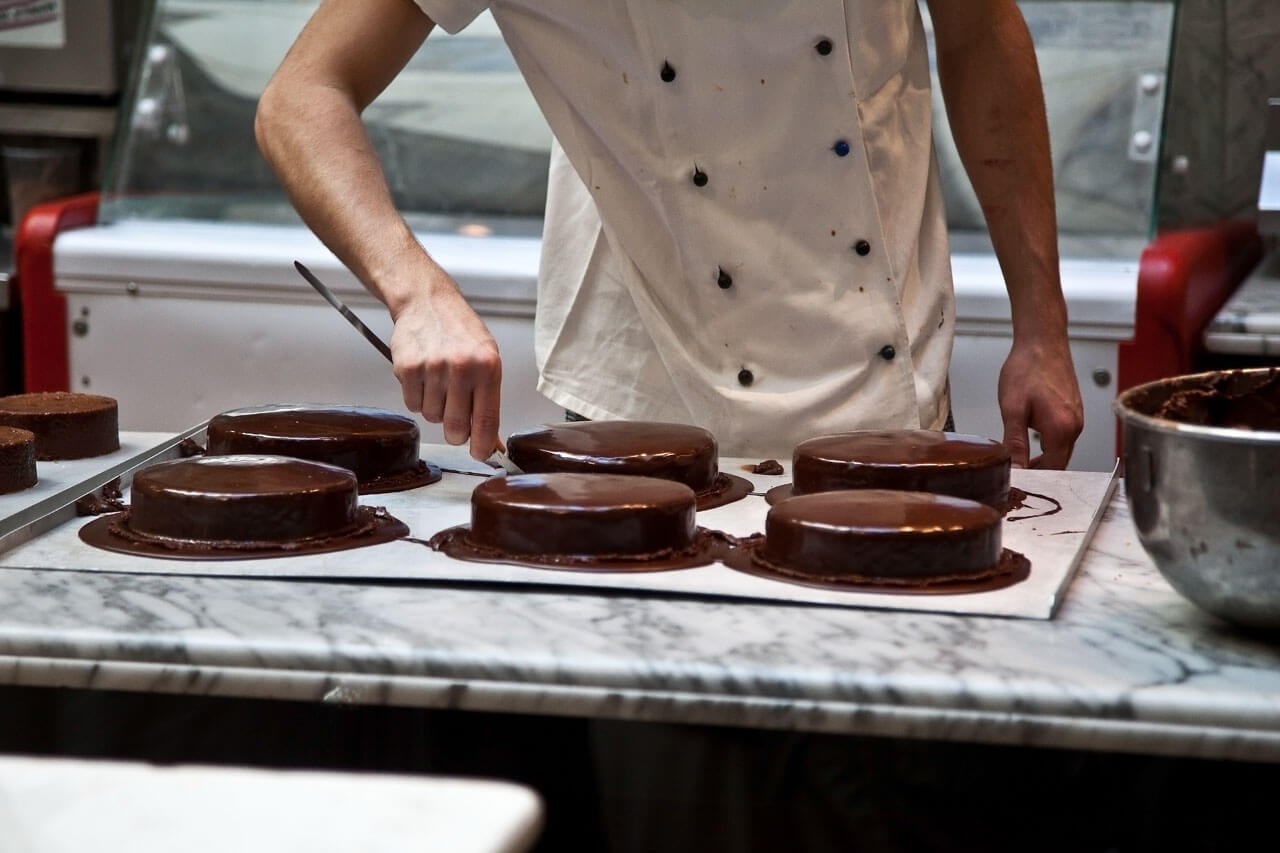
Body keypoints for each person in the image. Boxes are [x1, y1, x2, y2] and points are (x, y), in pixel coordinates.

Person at [256, 0, 1083, 468]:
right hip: (644, 400)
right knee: (661, 752)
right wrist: (416, 290)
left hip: (881, 394)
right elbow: (303, 96)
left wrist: (1043, 327)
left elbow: (981, 34)